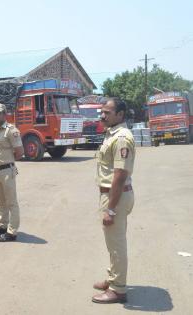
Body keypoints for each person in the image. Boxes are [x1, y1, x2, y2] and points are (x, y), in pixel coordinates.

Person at [92, 97, 135, 304]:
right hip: (112, 195)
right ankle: (113, 279)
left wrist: (110, 209)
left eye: (107, 112)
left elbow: (119, 175)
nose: (103, 115)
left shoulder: (121, 138)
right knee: (112, 243)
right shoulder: (112, 134)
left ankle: (118, 290)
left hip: (115, 196)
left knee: (116, 244)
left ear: (120, 115)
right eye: (102, 111)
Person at [0, 103, 24, 242]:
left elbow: (20, 152)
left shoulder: (11, 130)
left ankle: (12, 232)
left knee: (11, 202)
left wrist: (8, 162)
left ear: (5, 114)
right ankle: (2, 225)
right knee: (1, 201)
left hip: (7, 170)